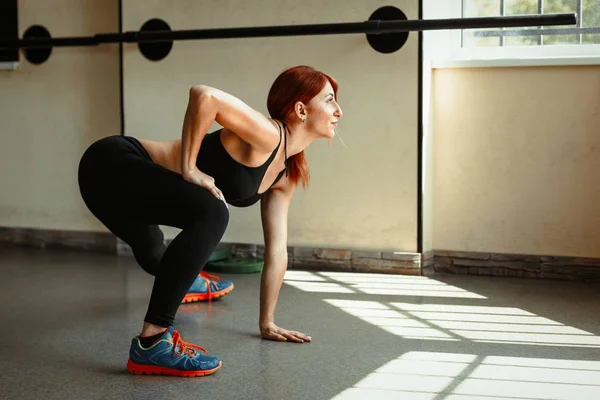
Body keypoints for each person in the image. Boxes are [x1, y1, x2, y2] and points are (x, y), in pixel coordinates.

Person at [77, 65, 343, 377]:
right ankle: (152, 343)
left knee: (154, 253)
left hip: (120, 194)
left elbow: (276, 252)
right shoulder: (268, 134)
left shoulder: (286, 175)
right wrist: (189, 167)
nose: (338, 110)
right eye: (329, 100)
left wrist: (267, 322)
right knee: (213, 211)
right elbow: (204, 95)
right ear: (300, 109)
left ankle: (191, 281)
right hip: (110, 164)